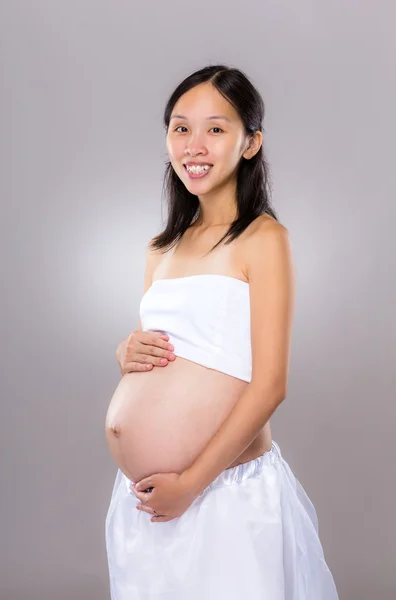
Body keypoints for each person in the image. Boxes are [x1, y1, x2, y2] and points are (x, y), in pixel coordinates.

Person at [105, 64, 339, 599]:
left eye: (216, 128)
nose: (194, 144)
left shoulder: (263, 239)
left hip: (222, 492)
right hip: (144, 499)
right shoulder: (159, 248)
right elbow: (163, 356)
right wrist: (127, 352)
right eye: (180, 127)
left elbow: (271, 384)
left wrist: (190, 485)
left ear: (250, 142)